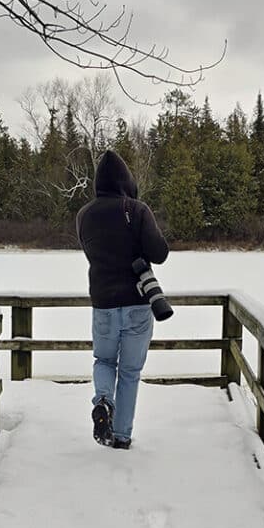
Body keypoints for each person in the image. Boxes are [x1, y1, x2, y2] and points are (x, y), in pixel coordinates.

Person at [74, 149, 170, 452]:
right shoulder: (137, 209)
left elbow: (92, 251)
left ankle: (103, 400)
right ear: (126, 181)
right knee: (129, 371)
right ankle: (122, 436)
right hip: (138, 302)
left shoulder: (84, 214)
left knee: (104, 360)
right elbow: (160, 254)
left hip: (102, 303)